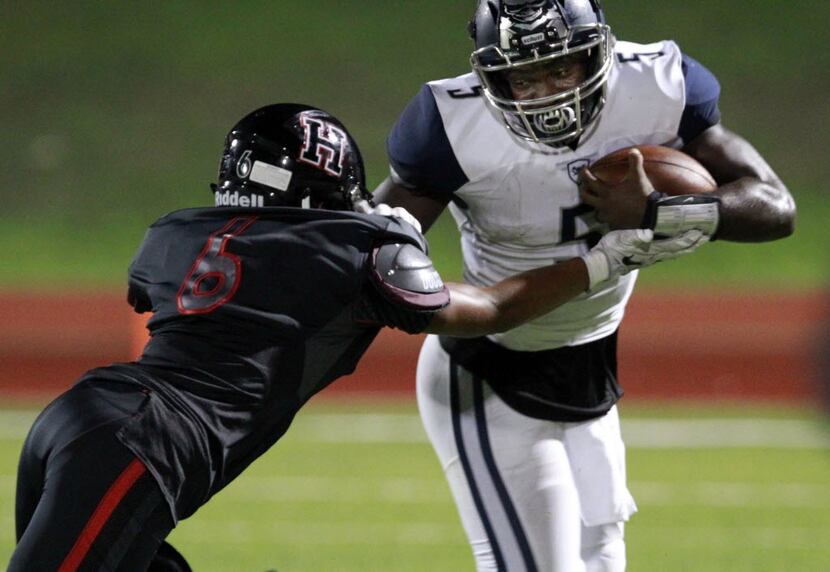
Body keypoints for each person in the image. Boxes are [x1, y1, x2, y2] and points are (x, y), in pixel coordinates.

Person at [8, 103, 702, 571]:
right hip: (148, 443)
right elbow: (487, 309)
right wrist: (608, 258)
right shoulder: (359, 247)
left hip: (78, 416)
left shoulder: (174, 231)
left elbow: (167, 293)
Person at [372, 1, 796, 570]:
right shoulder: (450, 125)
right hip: (490, 367)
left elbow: (776, 207)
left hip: (592, 361)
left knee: (602, 562)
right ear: (491, 75)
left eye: (562, 68)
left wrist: (661, 211)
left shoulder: (659, 85)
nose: (547, 91)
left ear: (599, 52)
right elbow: (374, 250)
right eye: (523, 76)